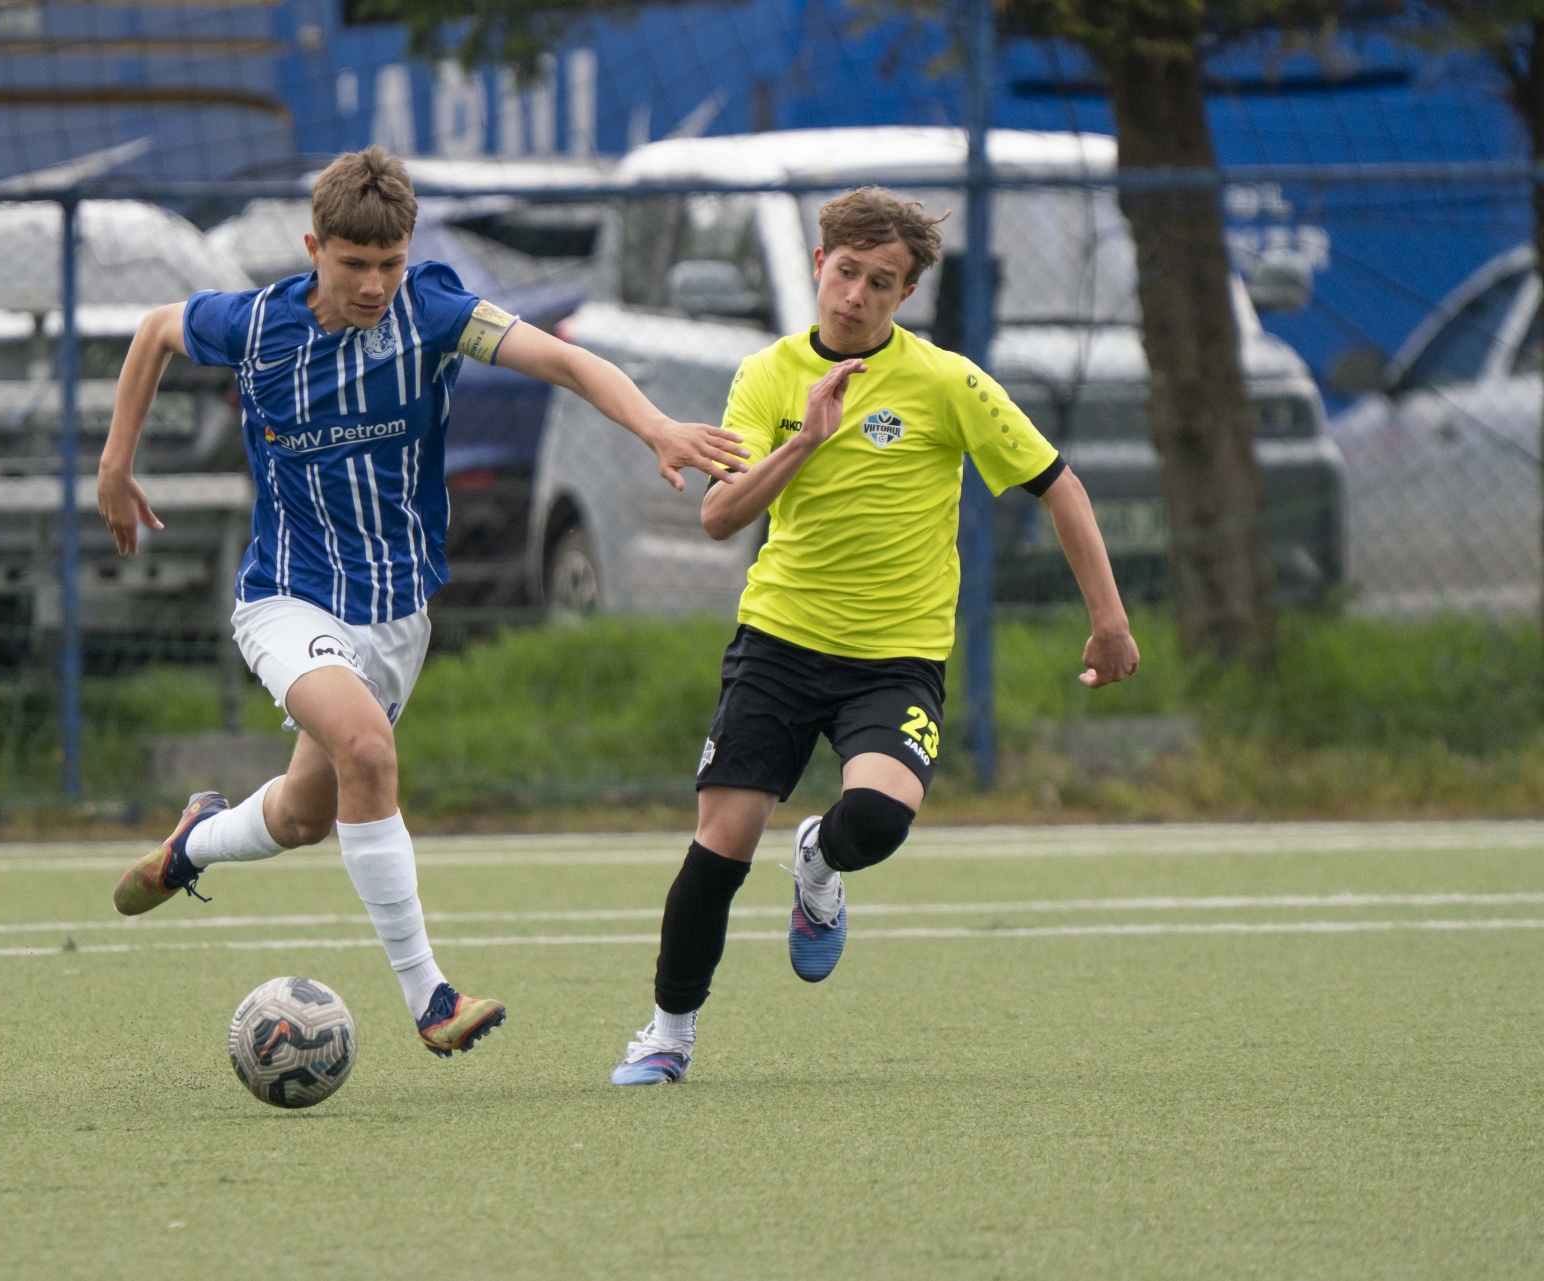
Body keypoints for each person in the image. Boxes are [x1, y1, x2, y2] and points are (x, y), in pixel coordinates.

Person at [95, 147, 748, 1060]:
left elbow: (563, 359)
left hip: (397, 616)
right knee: (367, 746)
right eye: (353, 264)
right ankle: (430, 995)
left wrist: (657, 426)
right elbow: (156, 330)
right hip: (286, 598)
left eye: (390, 262)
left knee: (304, 815)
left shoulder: (433, 313)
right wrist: (116, 462)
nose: (373, 284)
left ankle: (195, 842)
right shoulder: (255, 324)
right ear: (314, 249)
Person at [609, 187, 1140, 1086]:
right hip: (779, 645)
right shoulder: (768, 375)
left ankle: (818, 860)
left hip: (895, 660)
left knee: (881, 819)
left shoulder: (947, 382)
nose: (856, 295)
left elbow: (1061, 485)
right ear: (820, 264)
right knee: (722, 843)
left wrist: (1110, 619)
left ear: (906, 295)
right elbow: (719, 517)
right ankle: (667, 1034)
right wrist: (805, 440)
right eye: (846, 272)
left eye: (881, 282)